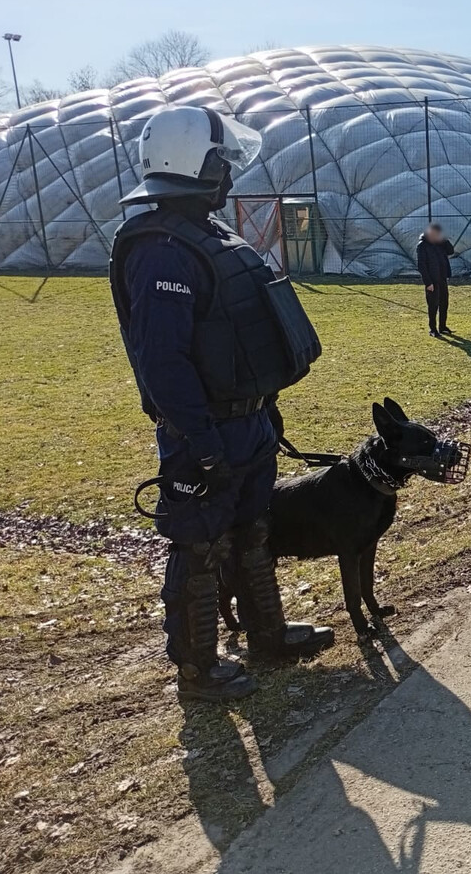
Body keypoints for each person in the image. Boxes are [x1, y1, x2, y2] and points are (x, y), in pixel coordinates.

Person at [109, 106, 334, 702]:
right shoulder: (160, 250)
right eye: (220, 161)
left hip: (248, 421)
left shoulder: (210, 236)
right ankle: (197, 668)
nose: (229, 174)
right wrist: (202, 441)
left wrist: (265, 406)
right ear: (195, 164)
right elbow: (163, 361)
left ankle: (267, 634)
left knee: (253, 530)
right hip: (203, 431)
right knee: (201, 544)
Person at [416, 222, 455, 336]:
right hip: (432, 281)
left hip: (442, 278)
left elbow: (451, 251)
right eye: (433, 234)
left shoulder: (440, 244)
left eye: (437, 234)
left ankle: (443, 326)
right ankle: (433, 329)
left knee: (444, 303)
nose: (435, 236)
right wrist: (428, 283)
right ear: (428, 233)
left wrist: (444, 241)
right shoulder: (422, 246)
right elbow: (421, 265)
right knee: (433, 305)